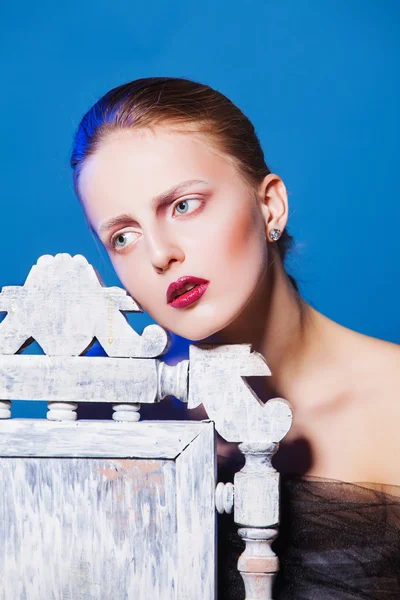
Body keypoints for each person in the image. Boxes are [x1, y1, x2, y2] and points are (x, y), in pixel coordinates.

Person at [70, 76, 400, 598]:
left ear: (270, 205)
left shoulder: (394, 402)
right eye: (123, 236)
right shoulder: (108, 423)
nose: (159, 254)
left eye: (183, 205)